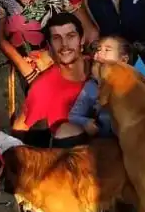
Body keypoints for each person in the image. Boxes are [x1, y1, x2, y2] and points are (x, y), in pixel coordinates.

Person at [12, 12, 89, 144]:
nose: (64, 44)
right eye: (57, 38)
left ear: (81, 40)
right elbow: (18, 133)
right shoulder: (43, 88)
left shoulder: (101, 71)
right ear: (49, 46)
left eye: (71, 36)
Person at [65, 35, 145, 139]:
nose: (99, 53)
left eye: (107, 50)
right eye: (98, 49)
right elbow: (73, 116)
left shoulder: (137, 82)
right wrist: (86, 122)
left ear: (124, 60)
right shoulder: (92, 86)